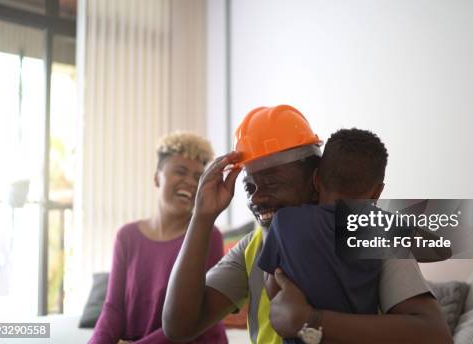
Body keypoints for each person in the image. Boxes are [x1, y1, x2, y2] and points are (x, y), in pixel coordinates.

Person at [163, 105, 452, 343]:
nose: (258, 198)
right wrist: (202, 217)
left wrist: (312, 322)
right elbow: (179, 327)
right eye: (249, 188)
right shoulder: (251, 248)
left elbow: (434, 334)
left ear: (315, 181)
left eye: (272, 184)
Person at [90, 132, 228, 344]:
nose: (190, 183)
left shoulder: (209, 236)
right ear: (157, 177)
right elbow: (113, 309)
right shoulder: (127, 237)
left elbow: (195, 321)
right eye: (180, 172)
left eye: (198, 177)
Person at [257, 128, 389, 343]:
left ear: (316, 179)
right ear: (377, 193)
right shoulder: (378, 225)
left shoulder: (285, 221)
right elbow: (439, 249)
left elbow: (274, 292)